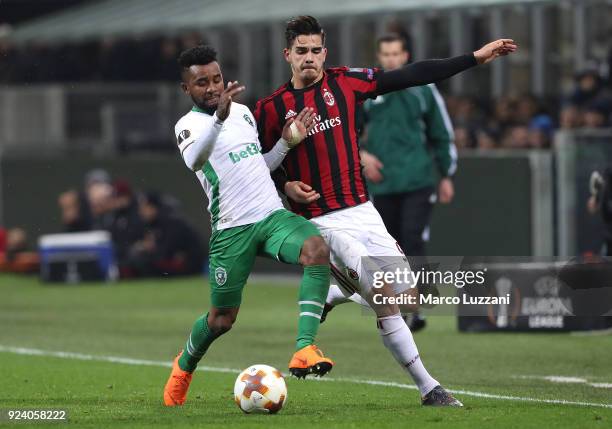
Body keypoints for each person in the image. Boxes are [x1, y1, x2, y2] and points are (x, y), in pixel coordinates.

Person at [255, 15, 516, 406]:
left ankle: (335, 293)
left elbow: (412, 75)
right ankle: (430, 388)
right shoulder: (272, 108)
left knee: (409, 296)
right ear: (287, 54)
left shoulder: (346, 82)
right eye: (300, 51)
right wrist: (285, 184)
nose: (308, 58)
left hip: (362, 210)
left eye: (314, 51)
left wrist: (474, 58)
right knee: (383, 296)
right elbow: (256, 168)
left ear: (324, 52)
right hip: (320, 222)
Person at [163, 45, 333, 407]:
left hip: (271, 216)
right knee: (221, 320)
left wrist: (287, 143)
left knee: (316, 249)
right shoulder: (187, 126)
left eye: (217, 79)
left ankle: (305, 347)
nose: (212, 88)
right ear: (186, 89)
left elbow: (261, 164)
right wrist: (219, 118)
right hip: (231, 230)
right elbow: (196, 160)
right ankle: (184, 366)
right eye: (201, 83)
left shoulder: (241, 113)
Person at [359, 33, 457, 332]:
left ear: (405, 56)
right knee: (388, 246)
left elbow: (442, 133)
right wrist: (361, 155)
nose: (391, 59)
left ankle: (419, 307)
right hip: (382, 182)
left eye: (396, 54)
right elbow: (346, 130)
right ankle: (394, 308)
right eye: (385, 54)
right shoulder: (368, 90)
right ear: (380, 57)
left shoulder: (424, 89)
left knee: (414, 241)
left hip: (418, 178)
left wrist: (447, 175)